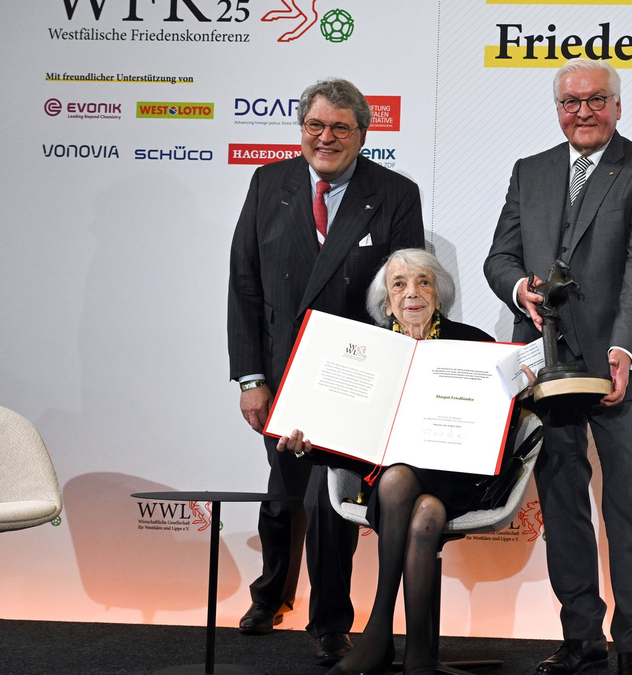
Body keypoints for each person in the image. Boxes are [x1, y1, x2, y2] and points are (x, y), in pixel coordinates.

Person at [483, 58, 632, 675]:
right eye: (571, 102)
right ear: (558, 109)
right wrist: (520, 290)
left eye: (596, 100)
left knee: (629, 503)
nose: (584, 112)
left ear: (618, 106)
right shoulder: (530, 170)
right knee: (561, 502)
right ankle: (581, 637)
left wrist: (624, 349)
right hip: (546, 366)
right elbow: (499, 256)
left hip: (624, 363)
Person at [227, 77, 425, 666]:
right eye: (316, 125)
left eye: (341, 127)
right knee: (283, 493)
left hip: (353, 378)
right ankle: (271, 594)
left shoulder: (394, 193)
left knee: (331, 499)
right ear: (302, 130)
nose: (326, 137)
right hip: (282, 374)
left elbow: (403, 288)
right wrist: (249, 378)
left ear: (363, 134)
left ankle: (331, 622)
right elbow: (244, 285)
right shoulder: (269, 182)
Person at [277, 248, 527, 675]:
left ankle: (377, 634)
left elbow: (508, 419)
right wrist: (307, 442)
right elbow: (343, 427)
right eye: (399, 284)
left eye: (423, 282)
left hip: (457, 476)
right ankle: (419, 655)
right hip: (391, 482)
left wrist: (520, 390)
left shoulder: (475, 342)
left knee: (400, 483)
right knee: (420, 508)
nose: (412, 292)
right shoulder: (371, 349)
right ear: (386, 299)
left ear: (438, 293)